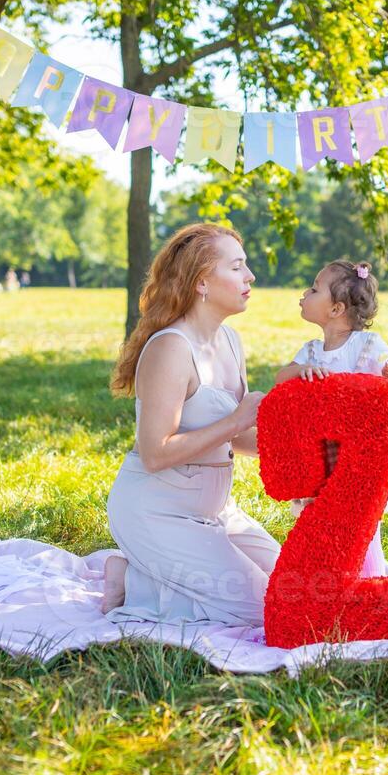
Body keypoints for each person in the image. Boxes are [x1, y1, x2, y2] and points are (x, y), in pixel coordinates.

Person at [101, 223, 281, 625]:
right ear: (202, 282)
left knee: (296, 585)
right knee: (267, 610)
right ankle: (132, 579)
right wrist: (236, 418)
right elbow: (154, 453)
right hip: (157, 509)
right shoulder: (170, 348)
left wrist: (309, 451)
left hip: (218, 510)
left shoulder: (230, 340)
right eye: (237, 267)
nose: (250, 276)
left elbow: (237, 439)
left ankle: (148, 573)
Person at [274, 259, 388, 578]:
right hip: (320, 458)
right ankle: (329, 586)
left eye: (313, 289)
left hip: (358, 461)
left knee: (360, 530)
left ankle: (369, 585)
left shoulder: (367, 346)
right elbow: (281, 379)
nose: (304, 293)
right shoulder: (310, 352)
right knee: (320, 526)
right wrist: (300, 372)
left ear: (336, 309)